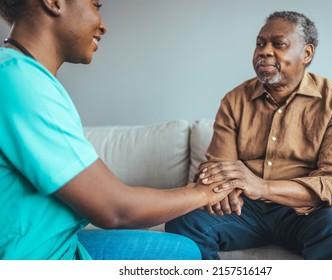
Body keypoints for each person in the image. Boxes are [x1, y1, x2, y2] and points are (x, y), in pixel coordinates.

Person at [0, 0, 233, 260]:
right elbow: (115, 209)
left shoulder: (25, 76)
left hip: (58, 243)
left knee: (184, 249)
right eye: (96, 5)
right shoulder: (19, 81)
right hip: (34, 258)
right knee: (183, 256)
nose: (103, 26)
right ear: (54, 3)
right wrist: (203, 192)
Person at [165, 11, 332, 260]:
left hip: (307, 211)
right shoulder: (235, 100)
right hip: (245, 211)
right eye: (260, 44)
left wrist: (261, 187)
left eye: (278, 44)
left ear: (306, 53)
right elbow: (220, 167)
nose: (264, 51)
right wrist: (223, 188)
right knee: (183, 221)